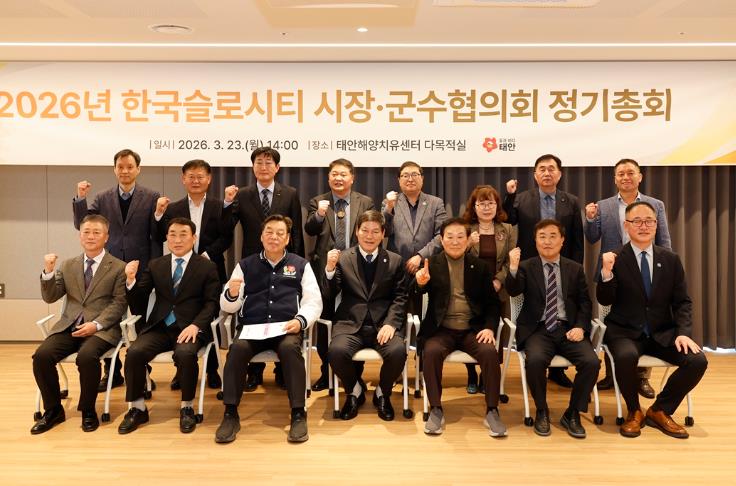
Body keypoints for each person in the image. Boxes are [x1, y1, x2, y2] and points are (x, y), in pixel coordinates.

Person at [597, 201, 707, 439]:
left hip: (662, 333)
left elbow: (682, 302)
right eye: (637, 221)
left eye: (649, 221)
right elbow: (605, 299)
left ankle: (660, 410)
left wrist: (683, 333)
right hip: (624, 331)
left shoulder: (670, 259)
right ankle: (634, 411)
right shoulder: (615, 258)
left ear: (656, 225)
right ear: (626, 226)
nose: (643, 226)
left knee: (697, 360)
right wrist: (606, 273)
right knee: (625, 357)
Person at [214, 215, 322, 444]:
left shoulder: (300, 265)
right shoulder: (245, 265)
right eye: (269, 232)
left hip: (286, 328)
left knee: (291, 350)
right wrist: (232, 294)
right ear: (261, 237)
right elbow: (228, 306)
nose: (274, 237)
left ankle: (298, 413)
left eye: (280, 233)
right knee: (237, 350)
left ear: (287, 239)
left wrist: (300, 320)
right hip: (252, 329)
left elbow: (314, 301)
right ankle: (230, 413)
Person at [118, 218, 220, 434]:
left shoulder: (207, 266)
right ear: (166, 238)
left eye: (183, 235)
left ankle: (187, 407)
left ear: (194, 238)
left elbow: (212, 303)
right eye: (172, 235)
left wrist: (196, 326)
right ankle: (137, 408)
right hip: (160, 327)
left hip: (189, 328)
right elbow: (138, 303)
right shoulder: (156, 265)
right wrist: (131, 281)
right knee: (134, 352)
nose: (177, 240)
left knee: (185, 354)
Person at [72, 148, 160, 391]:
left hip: (140, 268)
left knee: (139, 321)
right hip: (109, 268)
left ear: (138, 169)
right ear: (114, 169)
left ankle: (142, 374)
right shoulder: (102, 197)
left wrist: (160, 214)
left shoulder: (151, 196)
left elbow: (157, 233)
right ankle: (112, 372)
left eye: (130, 166)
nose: (125, 171)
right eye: (120, 167)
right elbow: (83, 224)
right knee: (109, 319)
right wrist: (80, 198)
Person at [31, 215, 127, 434]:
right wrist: (48, 272)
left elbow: (119, 303)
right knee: (42, 356)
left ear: (106, 237)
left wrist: (97, 324)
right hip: (70, 326)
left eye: (96, 232)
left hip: (101, 330)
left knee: (87, 357)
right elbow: (51, 297)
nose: (91, 236)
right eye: (86, 232)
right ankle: (53, 410)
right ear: (80, 236)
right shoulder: (68, 265)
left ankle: (88, 410)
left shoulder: (118, 267)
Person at [585, 158, 672, 397]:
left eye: (630, 173)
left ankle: (642, 378)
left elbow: (664, 240)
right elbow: (592, 238)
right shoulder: (603, 206)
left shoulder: (655, 204)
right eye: (621, 174)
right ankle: (612, 374)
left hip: (646, 272)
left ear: (640, 177)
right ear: (615, 179)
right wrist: (590, 218)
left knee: (645, 322)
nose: (626, 177)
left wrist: (664, 271)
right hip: (612, 271)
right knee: (610, 322)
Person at [505, 219, 600, 438]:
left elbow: (585, 303)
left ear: (562, 240)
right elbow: (513, 290)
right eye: (542, 237)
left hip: (568, 328)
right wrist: (513, 268)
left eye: (552, 236)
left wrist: (581, 327)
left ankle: (573, 413)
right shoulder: (527, 266)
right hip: (537, 329)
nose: (547, 241)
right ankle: (542, 410)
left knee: (591, 362)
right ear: (535, 241)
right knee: (535, 361)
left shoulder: (574, 268)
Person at [223, 147, 305, 392]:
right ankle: (254, 371)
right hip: (253, 264)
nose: (264, 167)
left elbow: (296, 232)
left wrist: (297, 262)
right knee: (255, 313)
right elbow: (227, 227)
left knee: (281, 312)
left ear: (277, 168)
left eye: (269, 163)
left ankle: (282, 371)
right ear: (253, 167)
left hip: (284, 263)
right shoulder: (242, 194)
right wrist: (227, 203)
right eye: (259, 162)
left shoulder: (290, 193)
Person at [415, 218, 506, 436]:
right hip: (441, 329)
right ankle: (435, 409)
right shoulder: (431, 263)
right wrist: (420, 283)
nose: (455, 242)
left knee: (489, 352)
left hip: (472, 329)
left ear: (467, 240)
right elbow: (416, 294)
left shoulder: (480, 267)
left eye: (460, 237)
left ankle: (492, 410)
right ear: (441, 239)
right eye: (450, 237)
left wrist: (489, 328)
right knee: (431, 351)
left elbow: (493, 304)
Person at [503, 153, 584, 388]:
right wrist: (509, 196)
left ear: (559, 174)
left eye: (551, 169)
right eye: (542, 169)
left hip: (562, 269)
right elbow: (508, 218)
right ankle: (537, 364)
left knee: (561, 316)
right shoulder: (522, 198)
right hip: (531, 269)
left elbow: (577, 239)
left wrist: (575, 269)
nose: (547, 173)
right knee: (537, 316)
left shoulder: (571, 201)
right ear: (535, 174)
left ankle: (558, 371)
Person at [154, 159, 233, 391]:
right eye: (191, 177)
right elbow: (160, 235)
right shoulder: (174, 208)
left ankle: (212, 369)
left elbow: (226, 236)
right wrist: (158, 214)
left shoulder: (219, 206)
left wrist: (205, 257)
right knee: (181, 317)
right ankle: (181, 369)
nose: (195, 181)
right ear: (183, 179)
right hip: (180, 271)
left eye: (200, 177)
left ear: (209, 179)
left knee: (210, 317)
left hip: (211, 268)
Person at [322, 210, 408, 421]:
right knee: (336, 352)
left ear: (383, 234)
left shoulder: (395, 260)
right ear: (356, 232)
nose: (370, 236)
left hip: (383, 325)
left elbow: (401, 297)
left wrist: (391, 323)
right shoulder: (343, 258)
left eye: (375, 231)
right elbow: (330, 294)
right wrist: (329, 269)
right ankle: (354, 390)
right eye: (365, 231)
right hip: (350, 324)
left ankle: (382, 393)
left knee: (398, 352)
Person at [305, 158, 374, 391]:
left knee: (356, 321)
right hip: (326, 270)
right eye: (334, 174)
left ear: (352, 178)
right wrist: (319, 214)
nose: (338, 178)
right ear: (328, 178)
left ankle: (354, 374)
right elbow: (310, 229)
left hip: (357, 271)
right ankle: (326, 373)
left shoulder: (365, 202)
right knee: (325, 322)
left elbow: (372, 233)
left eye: (343, 174)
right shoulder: (318, 201)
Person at [461, 184, 517, 394]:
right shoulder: (466, 228)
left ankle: (487, 375)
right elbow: (455, 257)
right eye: (481, 203)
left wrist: (499, 280)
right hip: (469, 290)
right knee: (471, 331)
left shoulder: (507, 229)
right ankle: (471, 373)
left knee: (493, 332)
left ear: (497, 206)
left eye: (490, 203)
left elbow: (511, 260)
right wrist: (468, 244)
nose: (486, 208)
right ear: (474, 207)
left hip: (496, 289)